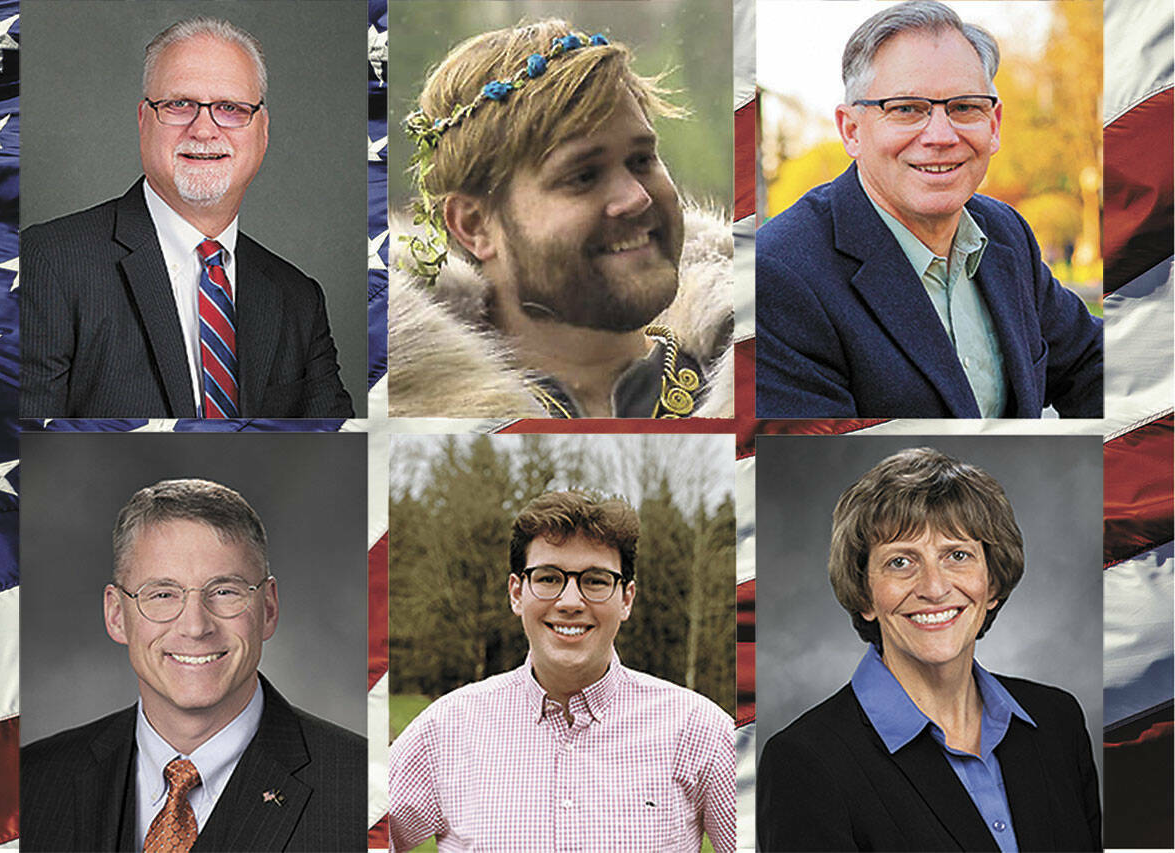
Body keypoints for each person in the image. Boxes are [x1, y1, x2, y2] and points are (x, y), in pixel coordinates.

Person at [755, 0, 1102, 419]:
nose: (941, 135)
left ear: (993, 126)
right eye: (906, 109)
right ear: (851, 131)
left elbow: (1091, 365)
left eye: (964, 107)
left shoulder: (1007, 233)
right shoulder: (778, 275)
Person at [757, 448, 1100, 852]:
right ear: (864, 594)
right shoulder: (805, 763)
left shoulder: (1058, 721)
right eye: (901, 562)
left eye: (957, 555)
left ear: (991, 584)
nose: (934, 588)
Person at [389, 19, 733, 418]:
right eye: (583, 176)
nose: (636, 198)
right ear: (474, 226)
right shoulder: (398, 408)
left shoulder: (760, 375)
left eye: (641, 160)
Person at [20, 17, 353, 419]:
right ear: (144, 121)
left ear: (262, 132)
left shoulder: (298, 299)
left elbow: (330, 446)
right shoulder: (49, 263)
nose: (204, 129)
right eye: (180, 105)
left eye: (230, 108)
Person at [21, 479, 366, 852]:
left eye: (224, 592)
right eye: (163, 594)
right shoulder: (29, 783)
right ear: (116, 614)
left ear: (268, 608)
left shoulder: (364, 790)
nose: (195, 627)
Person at [389, 490, 735, 852]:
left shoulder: (700, 732)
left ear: (627, 599)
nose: (570, 602)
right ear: (516, 593)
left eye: (596, 580)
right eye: (549, 578)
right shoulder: (445, 730)